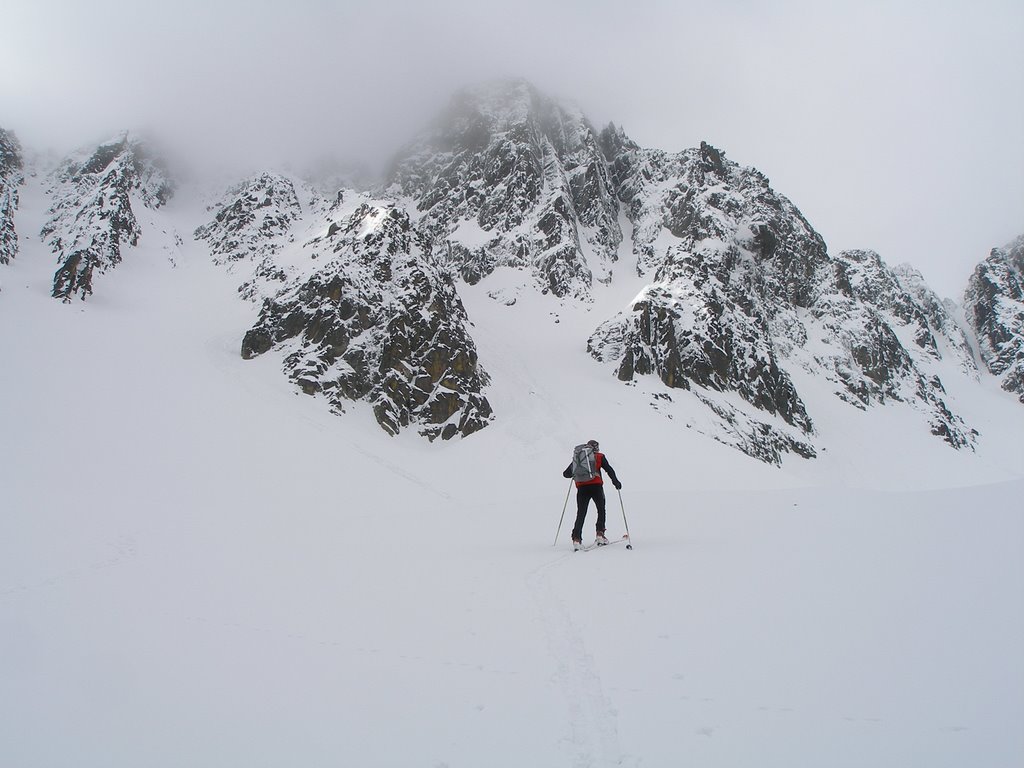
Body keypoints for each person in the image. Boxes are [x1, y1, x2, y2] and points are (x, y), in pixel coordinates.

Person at [562, 439, 622, 548]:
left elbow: (566, 474)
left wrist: (577, 473)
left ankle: (576, 538)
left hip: (581, 488)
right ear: (596, 448)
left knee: (581, 513)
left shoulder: (579, 458)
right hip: (596, 487)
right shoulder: (599, 456)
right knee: (601, 509)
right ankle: (600, 534)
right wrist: (616, 482)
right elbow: (609, 470)